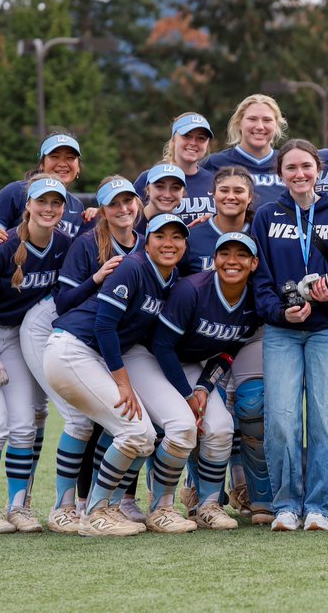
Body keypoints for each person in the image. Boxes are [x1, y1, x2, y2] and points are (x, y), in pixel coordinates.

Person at [0, 133, 94, 530]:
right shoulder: (16, 192)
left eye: (72, 158)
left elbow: (77, 262)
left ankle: (21, 502)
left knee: (29, 416)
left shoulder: (76, 208)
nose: (63, 163)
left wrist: (92, 222)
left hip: (26, 327)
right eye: (56, 157)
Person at [44, 213, 191, 536]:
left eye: (177, 237)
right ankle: (95, 513)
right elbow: (104, 325)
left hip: (94, 355)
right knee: (135, 432)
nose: (169, 243)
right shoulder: (133, 265)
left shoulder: (172, 275)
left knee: (144, 432)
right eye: (160, 236)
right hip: (72, 350)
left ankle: (109, 507)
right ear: (146, 241)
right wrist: (123, 382)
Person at [19, 176, 140, 534]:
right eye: (114, 203)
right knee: (79, 420)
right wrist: (98, 278)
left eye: (128, 201)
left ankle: (97, 504)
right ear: (101, 210)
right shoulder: (88, 244)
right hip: (49, 329)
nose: (123, 208)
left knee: (107, 420)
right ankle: (62, 508)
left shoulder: (144, 241)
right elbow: (62, 303)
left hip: (93, 337)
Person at [250, 139, 328, 531]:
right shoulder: (265, 215)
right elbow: (259, 279)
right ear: (280, 173)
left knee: (326, 421)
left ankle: (319, 506)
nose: (299, 174)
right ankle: (285, 505)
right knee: (281, 419)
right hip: (281, 331)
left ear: (319, 170)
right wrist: (282, 311)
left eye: (306, 167)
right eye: (291, 168)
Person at [150, 232, 263, 530]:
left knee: (222, 427)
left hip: (191, 365)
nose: (232, 261)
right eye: (225, 254)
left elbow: (227, 352)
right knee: (176, 428)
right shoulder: (192, 289)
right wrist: (188, 395)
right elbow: (162, 345)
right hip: (155, 361)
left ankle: (208, 504)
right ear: (214, 260)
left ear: (254, 263)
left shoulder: (253, 300)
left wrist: (204, 387)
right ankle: (159, 506)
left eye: (242, 255)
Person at [203, 94, 289, 207]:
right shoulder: (214, 163)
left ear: (276, 125)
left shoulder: (289, 163)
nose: (260, 126)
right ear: (239, 123)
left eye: (267, 120)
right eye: (252, 119)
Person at [133, 112, 216, 224]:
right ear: (173, 140)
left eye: (201, 138)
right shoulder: (149, 178)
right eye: (187, 136)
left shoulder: (214, 181)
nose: (193, 143)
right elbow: (131, 223)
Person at [136, 163, 188, 234]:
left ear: (182, 193)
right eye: (160, 186)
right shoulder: (130, 224)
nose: (167, 195)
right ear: (147, 189)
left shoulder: (181, 226)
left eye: (175, 188)